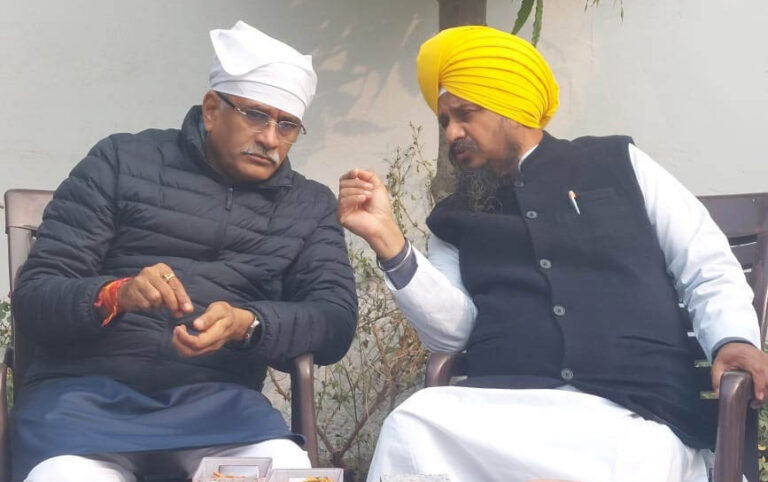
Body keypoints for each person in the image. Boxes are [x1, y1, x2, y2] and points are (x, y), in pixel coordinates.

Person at [338, 26, 768, 481]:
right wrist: (389, 243)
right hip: (501, 410)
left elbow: (704, 260)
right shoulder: (454, 217)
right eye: (445, 121)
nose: (452, 133)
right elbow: (453, 334)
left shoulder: (616, 163)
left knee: (634, 456)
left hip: (629, 412)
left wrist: (733, 339)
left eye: (465, 114)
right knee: (411, 427)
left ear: (511, 106)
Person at [10, 20, 357, 482]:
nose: (271, 139)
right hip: (84, 403)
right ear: (212, 109)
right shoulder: (120, 161)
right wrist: (116, 294)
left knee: (287, 471)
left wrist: (249, 323)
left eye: (287, 124)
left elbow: (334, 321)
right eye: (256, 115)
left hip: (221, 410)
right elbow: (36, 295)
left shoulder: (308, 206)